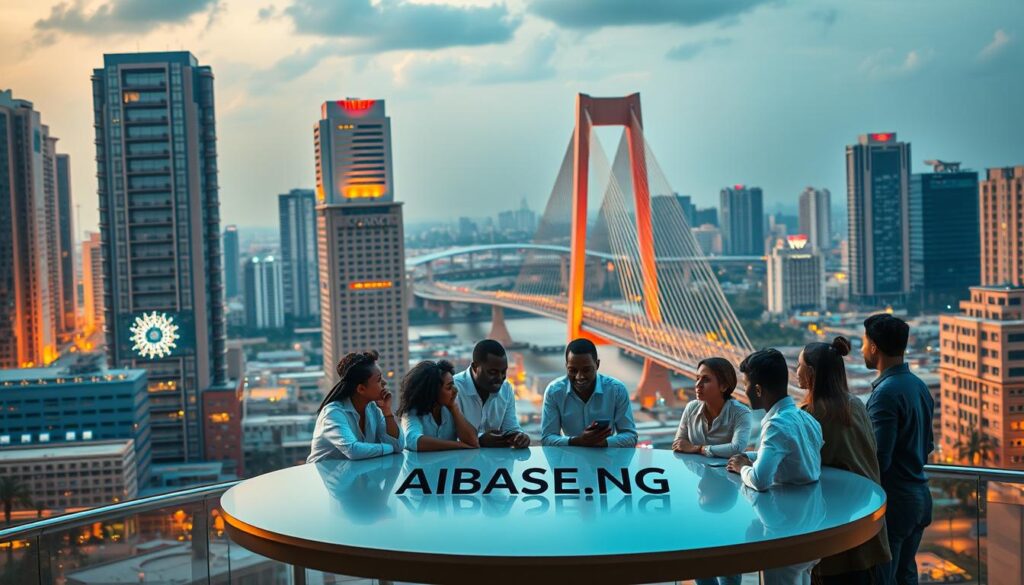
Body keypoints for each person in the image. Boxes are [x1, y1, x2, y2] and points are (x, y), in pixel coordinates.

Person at [797, 336, 891, 584]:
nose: (795, 371)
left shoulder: (810, 415)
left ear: (811, 373)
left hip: (834, 534)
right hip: (869, 527)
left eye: (799, 365)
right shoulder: (856, 405)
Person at [727, 348, 823, 585]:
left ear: (758, 389)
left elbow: (760, 480)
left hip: (786, 533)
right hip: (813, 528)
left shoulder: (776, 426)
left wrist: (742, 467)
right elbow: (794, 455)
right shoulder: (805, 418)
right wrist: (754, 455)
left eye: (747, 384)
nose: (744, 390)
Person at [862, 314, 934, 585]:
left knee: (883, 578)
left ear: (874, 348)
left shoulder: (886, 394)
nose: (861, 349)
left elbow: (879, 458)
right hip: (920, 498)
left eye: (863, 342)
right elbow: (927, 446)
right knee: (906, 575)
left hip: (895, 503)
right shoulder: (919, 386)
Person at [541, 338, 638, 447]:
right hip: (569, 461)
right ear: (566, 367)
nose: (579, 377)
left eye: (586, 370)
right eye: (573, 370)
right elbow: (547, 438)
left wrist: (604, 443)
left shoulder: (617, 390)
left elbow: (631, 436)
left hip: (606, 461)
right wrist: (578, 441)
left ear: (597, 365)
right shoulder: (554, 392)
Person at [308, 350, 403, 462]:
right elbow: (353, 450)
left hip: (354, 476)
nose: (384, 383)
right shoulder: (333, 413)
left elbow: (398, 445)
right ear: (361, 389)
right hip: (325, 478)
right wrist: (389, 448)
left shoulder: (373, 408)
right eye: (378, 379)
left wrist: (387, 412)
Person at [453, 339, 530, 448]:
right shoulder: (453, 389)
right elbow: (446, 437)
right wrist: (480, 439)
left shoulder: (506, 389)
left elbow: (511, 428)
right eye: (492, 372)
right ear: (475, 368)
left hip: (496, 463)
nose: (500, 378)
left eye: (503, 372)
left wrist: (519, 437)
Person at [673, 357, 753, 458]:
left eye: (706, 380)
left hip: (724, 472)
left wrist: (698, 448)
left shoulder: (741, 413)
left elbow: (737, 448)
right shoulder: (691, 407)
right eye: (697, 378)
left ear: (724, 386)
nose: (698, 384)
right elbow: (678, 443)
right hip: (694, 472)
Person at [398, 359, 480, 451]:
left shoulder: (451, 408)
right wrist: (458, 445)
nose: (455, 390)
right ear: (433, 391)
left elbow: (473, 442)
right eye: (449, 387)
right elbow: (413, 441)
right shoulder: (412, 412)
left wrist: (454, 409)